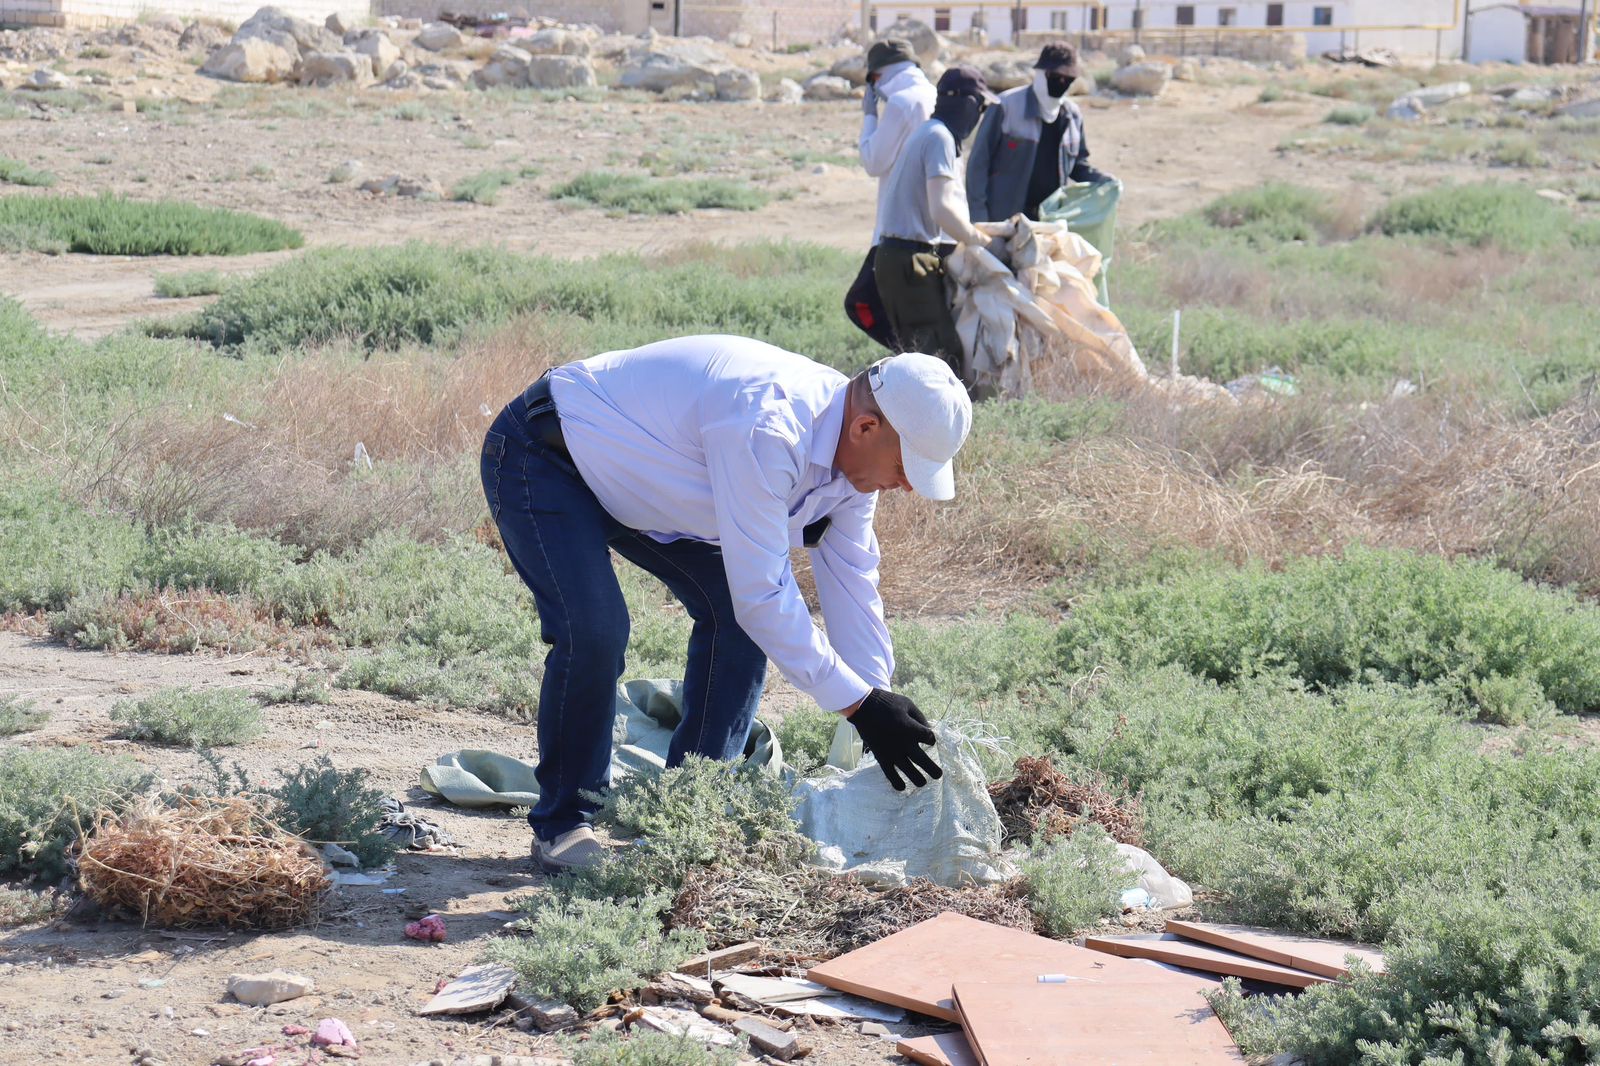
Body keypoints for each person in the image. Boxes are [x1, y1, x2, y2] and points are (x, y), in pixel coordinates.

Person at [481, 336, 974, 872]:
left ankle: (689, 807)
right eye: (907, 466)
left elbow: (853, 580)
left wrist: (878, 700)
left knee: (735, 627)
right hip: (548, 457)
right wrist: (858, 706)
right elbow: (762, 596)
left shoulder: (855, 469)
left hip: (651, 488)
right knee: (594, 630)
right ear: (865, 428)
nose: (906, 485)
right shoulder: (769, 427)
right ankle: (565, 824)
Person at [873, 65, 1000, 390]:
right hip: (910, 260)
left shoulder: (928, 133)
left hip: (900, 258)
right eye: (979, 106)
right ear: (963, 102)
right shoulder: (939, 137)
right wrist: (978, 241)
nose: (980, 115)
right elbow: (941, 208)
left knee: (921, 356)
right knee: (941, 362)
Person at [844, 37, 936, 351]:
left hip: (895, 226)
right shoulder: (933, 95)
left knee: (861, 303)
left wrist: (870, 116)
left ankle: (912, 359)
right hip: (933, 221)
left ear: (878, 76)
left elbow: (873, 161)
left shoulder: (901, 102)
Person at [966, 42, 1114, 225]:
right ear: (1041, 73)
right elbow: (978, 164)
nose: (1061, 83)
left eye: (1068, 80)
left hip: (1049, 221)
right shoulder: (1006, 106)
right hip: (1003, 222)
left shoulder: (1072, 116)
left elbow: (1077, 165)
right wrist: (980, 218)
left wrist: (1103, 181)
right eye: (1055, 77)